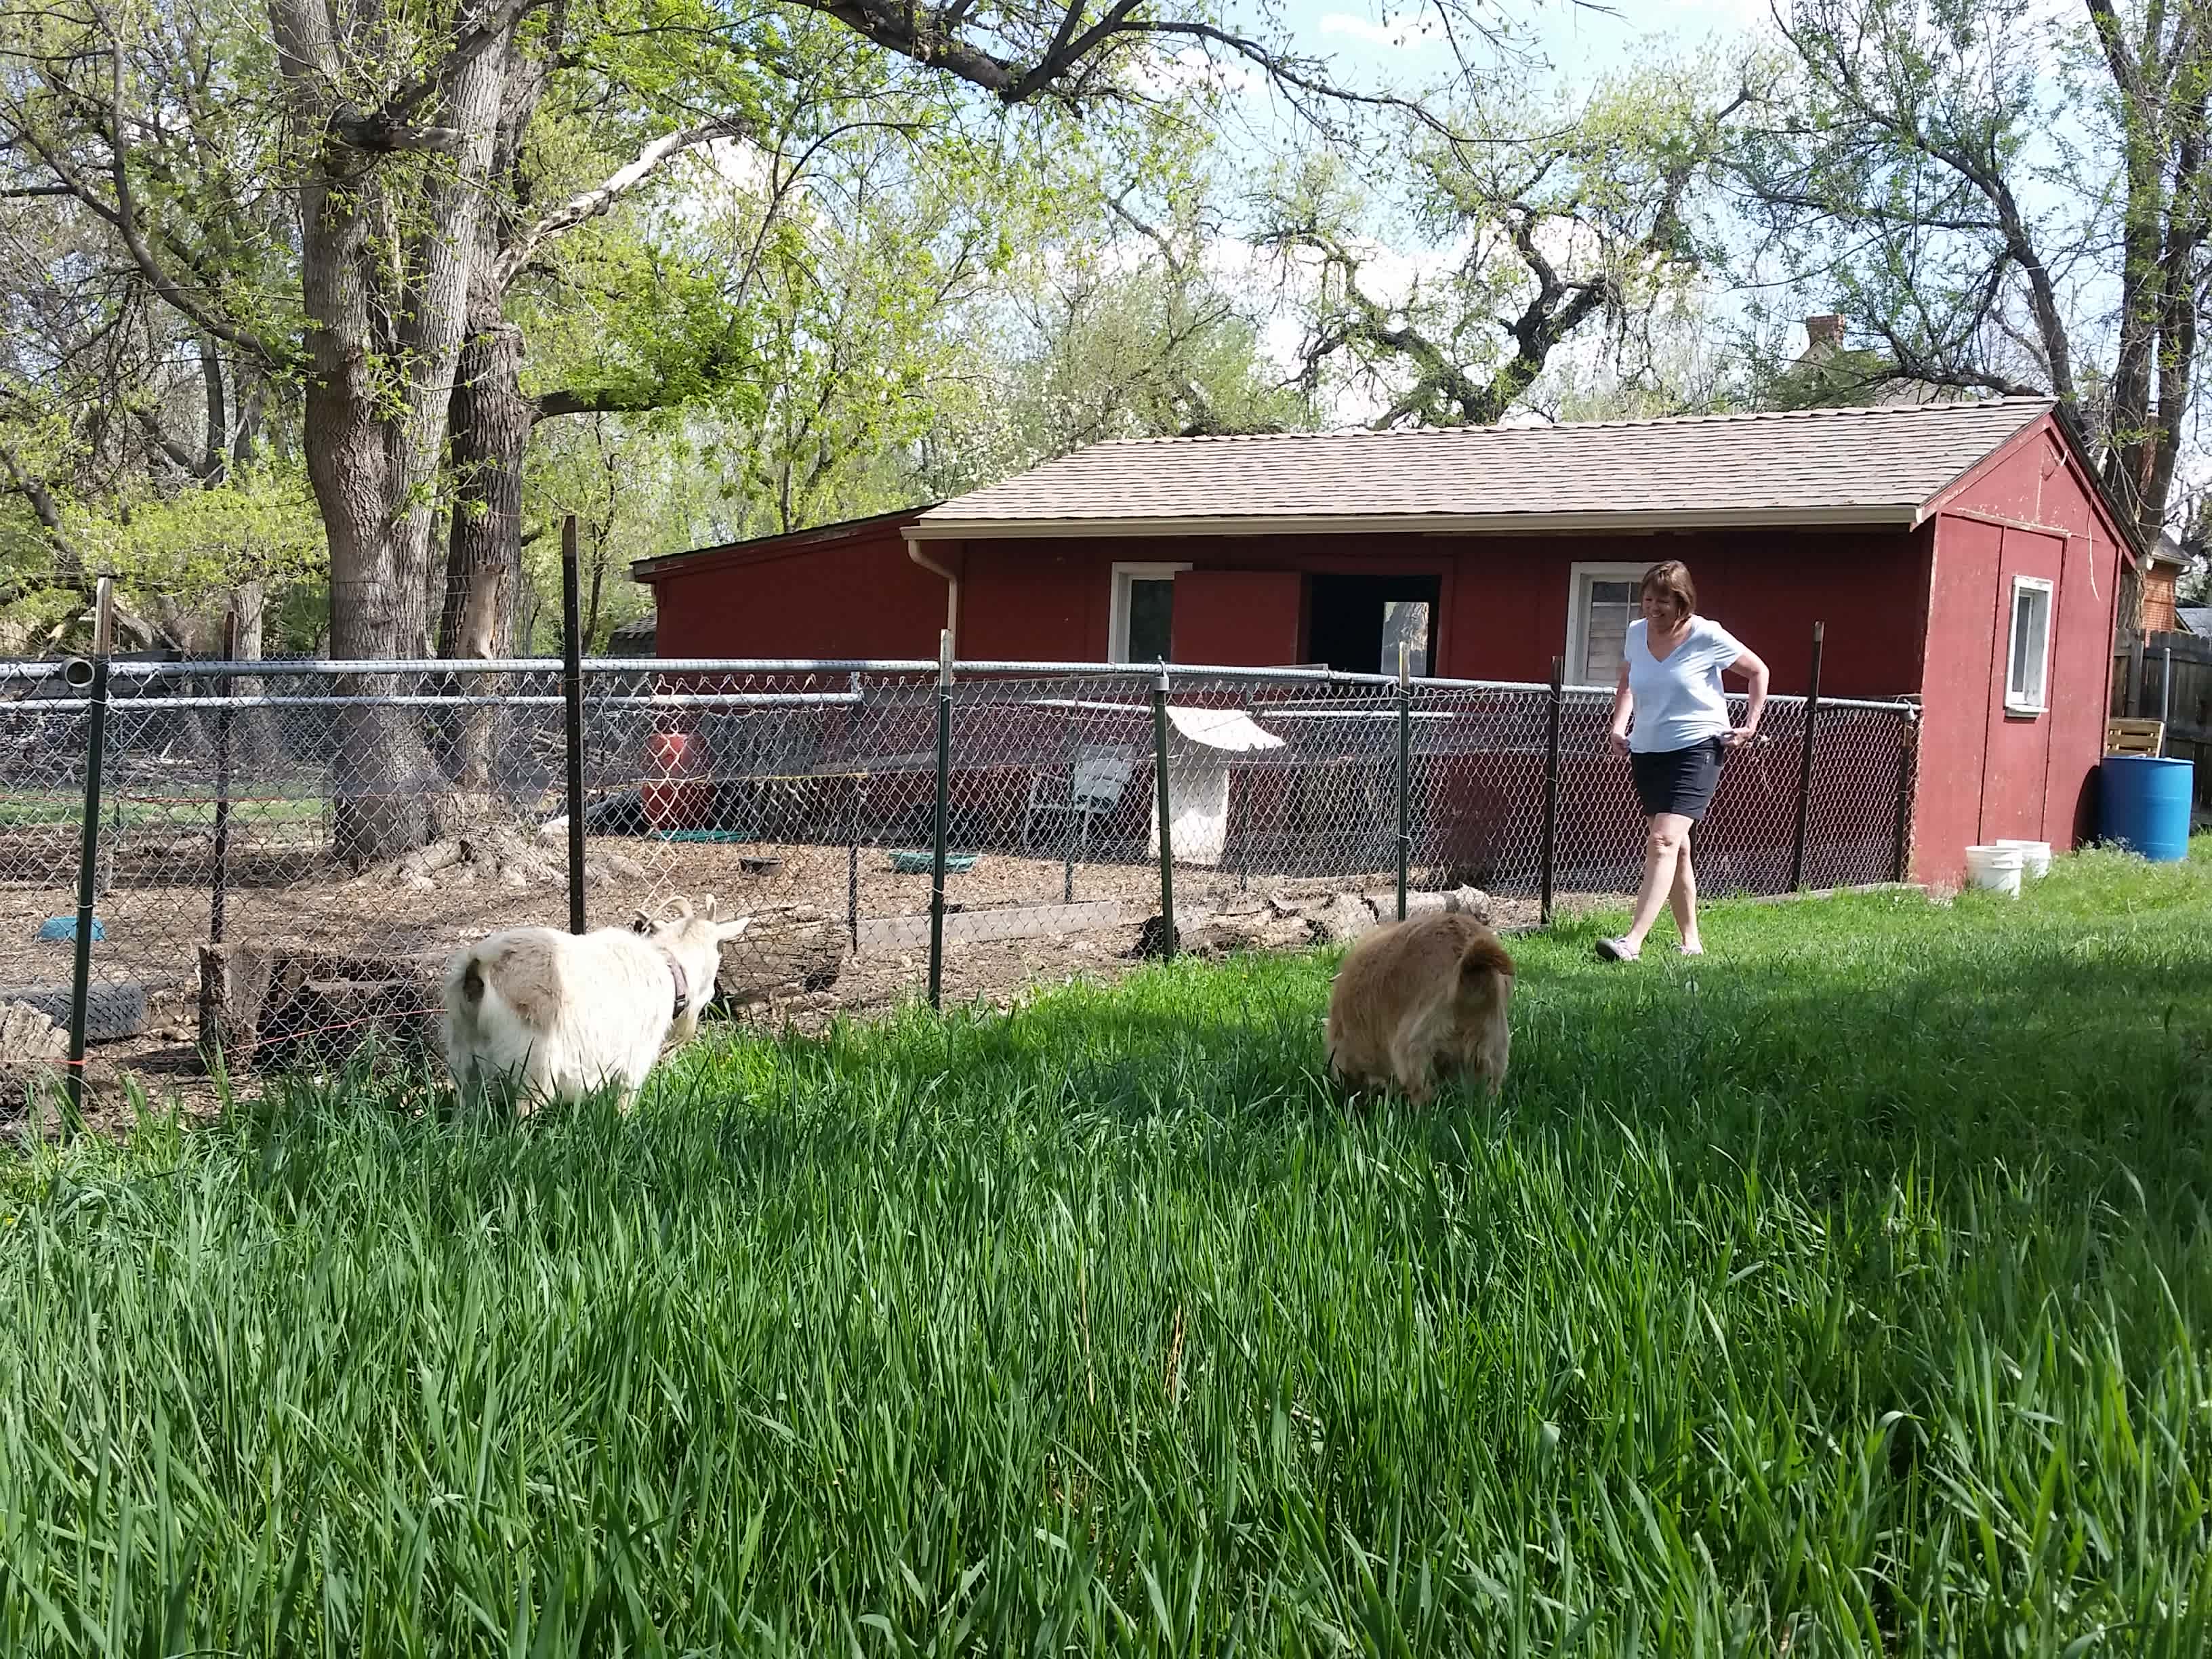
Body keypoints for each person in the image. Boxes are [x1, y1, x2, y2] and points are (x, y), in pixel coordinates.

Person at [1595, 560, 1768, 962]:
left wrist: (1750, 725)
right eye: (1648, 600)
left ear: (1683, 603)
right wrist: (1619, 727)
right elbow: (1628, 681)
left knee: (1663, 841)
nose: (1653, 609)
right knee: (1679, 849)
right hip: (1649, 749)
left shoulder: (1706, 634)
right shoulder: (1636, 635)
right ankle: (1691, 942)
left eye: (1663, 602)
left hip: (1698, 747)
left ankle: (1631, 943)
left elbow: (1759, 671)